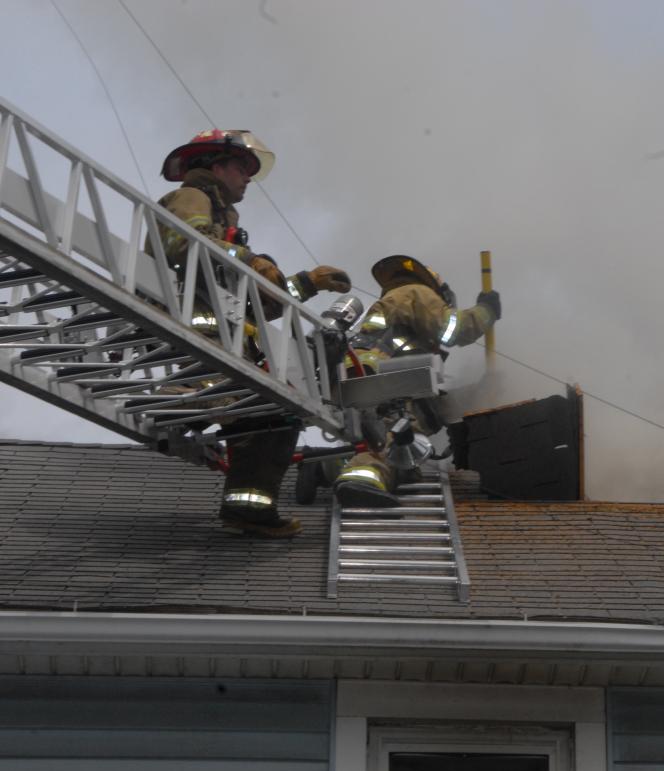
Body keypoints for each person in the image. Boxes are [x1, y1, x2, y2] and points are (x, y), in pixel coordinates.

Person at [155, 129, 352, 538]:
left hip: (228, 347)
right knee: (227, 388)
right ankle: (180, 399)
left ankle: (248, 507)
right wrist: (251, 259)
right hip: (191, 334)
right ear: (215, 166)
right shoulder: (193, 198)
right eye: (242, 169)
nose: (247, 179)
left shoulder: (225, 223)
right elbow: (182, 243)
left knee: (277, 418)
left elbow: (258, 304)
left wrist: (308, 283)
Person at [333, 254, 500, 507]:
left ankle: (327, 467)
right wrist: (486, 311)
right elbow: (450, 329)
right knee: (397, 429)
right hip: (386, 375)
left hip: (372, 371)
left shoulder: (394, 300)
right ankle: (363, 479)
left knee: (422, 417)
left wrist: (482, 391)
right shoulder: (417, 292)